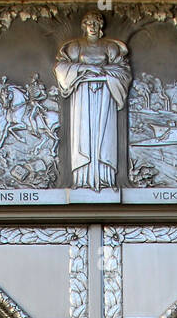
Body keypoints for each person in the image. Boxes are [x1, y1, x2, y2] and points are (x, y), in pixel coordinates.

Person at [54, 12, 131, 190]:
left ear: (101, 26)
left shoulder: (110, 47)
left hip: (106, 94)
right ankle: (82, 180)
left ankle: (105, 178)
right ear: (84, 26)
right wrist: (86, 67)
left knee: (104, 135)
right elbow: (62, 68)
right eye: (88, 23)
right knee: (83, 135)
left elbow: (123, 71)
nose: (92, 26)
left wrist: (103, 74)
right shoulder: (75, 47)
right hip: (81, 96)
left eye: (96, 23)